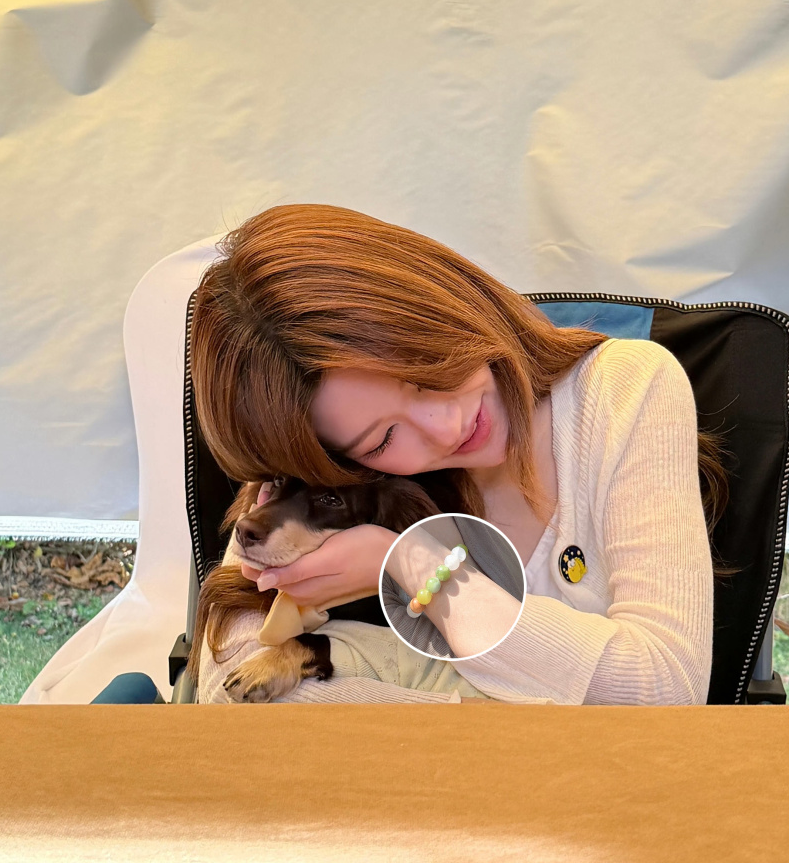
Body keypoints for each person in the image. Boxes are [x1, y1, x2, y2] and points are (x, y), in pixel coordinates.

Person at [190, 203, 723, 705]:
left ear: (443, 304)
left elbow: (667, 687)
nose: (447, 428)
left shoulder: (624, 392)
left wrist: (410, 564)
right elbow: (229, 696)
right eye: (383, 440)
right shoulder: (317, 474)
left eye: (428, 371)